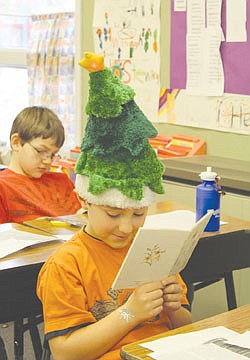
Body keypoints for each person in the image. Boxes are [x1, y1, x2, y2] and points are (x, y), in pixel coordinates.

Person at [37, 52, 192, 360]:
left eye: (138, 213)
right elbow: (66, 353)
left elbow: (186, 326)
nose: (127, 227)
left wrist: (174, 309)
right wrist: (129, 314)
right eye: (112, 213)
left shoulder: (152, 249)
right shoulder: (66, 265)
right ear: (85, 200)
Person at [0, 106, 81, 223]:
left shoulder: (62, 181)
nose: (48, 161)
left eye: (53, 154)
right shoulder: (3, 187)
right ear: (16, 142)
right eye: (41, 151)